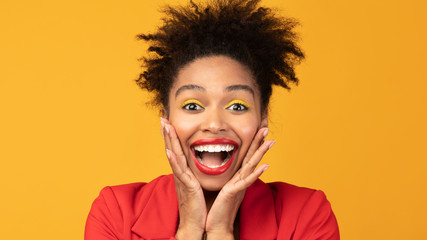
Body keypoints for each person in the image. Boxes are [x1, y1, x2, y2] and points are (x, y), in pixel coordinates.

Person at [84, 0, 340, 239]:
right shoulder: (115, 213)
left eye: (238, 106)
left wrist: (220, 230)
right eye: (193, 105)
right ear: (165, 117)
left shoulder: (308, 215)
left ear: (263, 117)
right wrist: (189, 229)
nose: (215, 123)